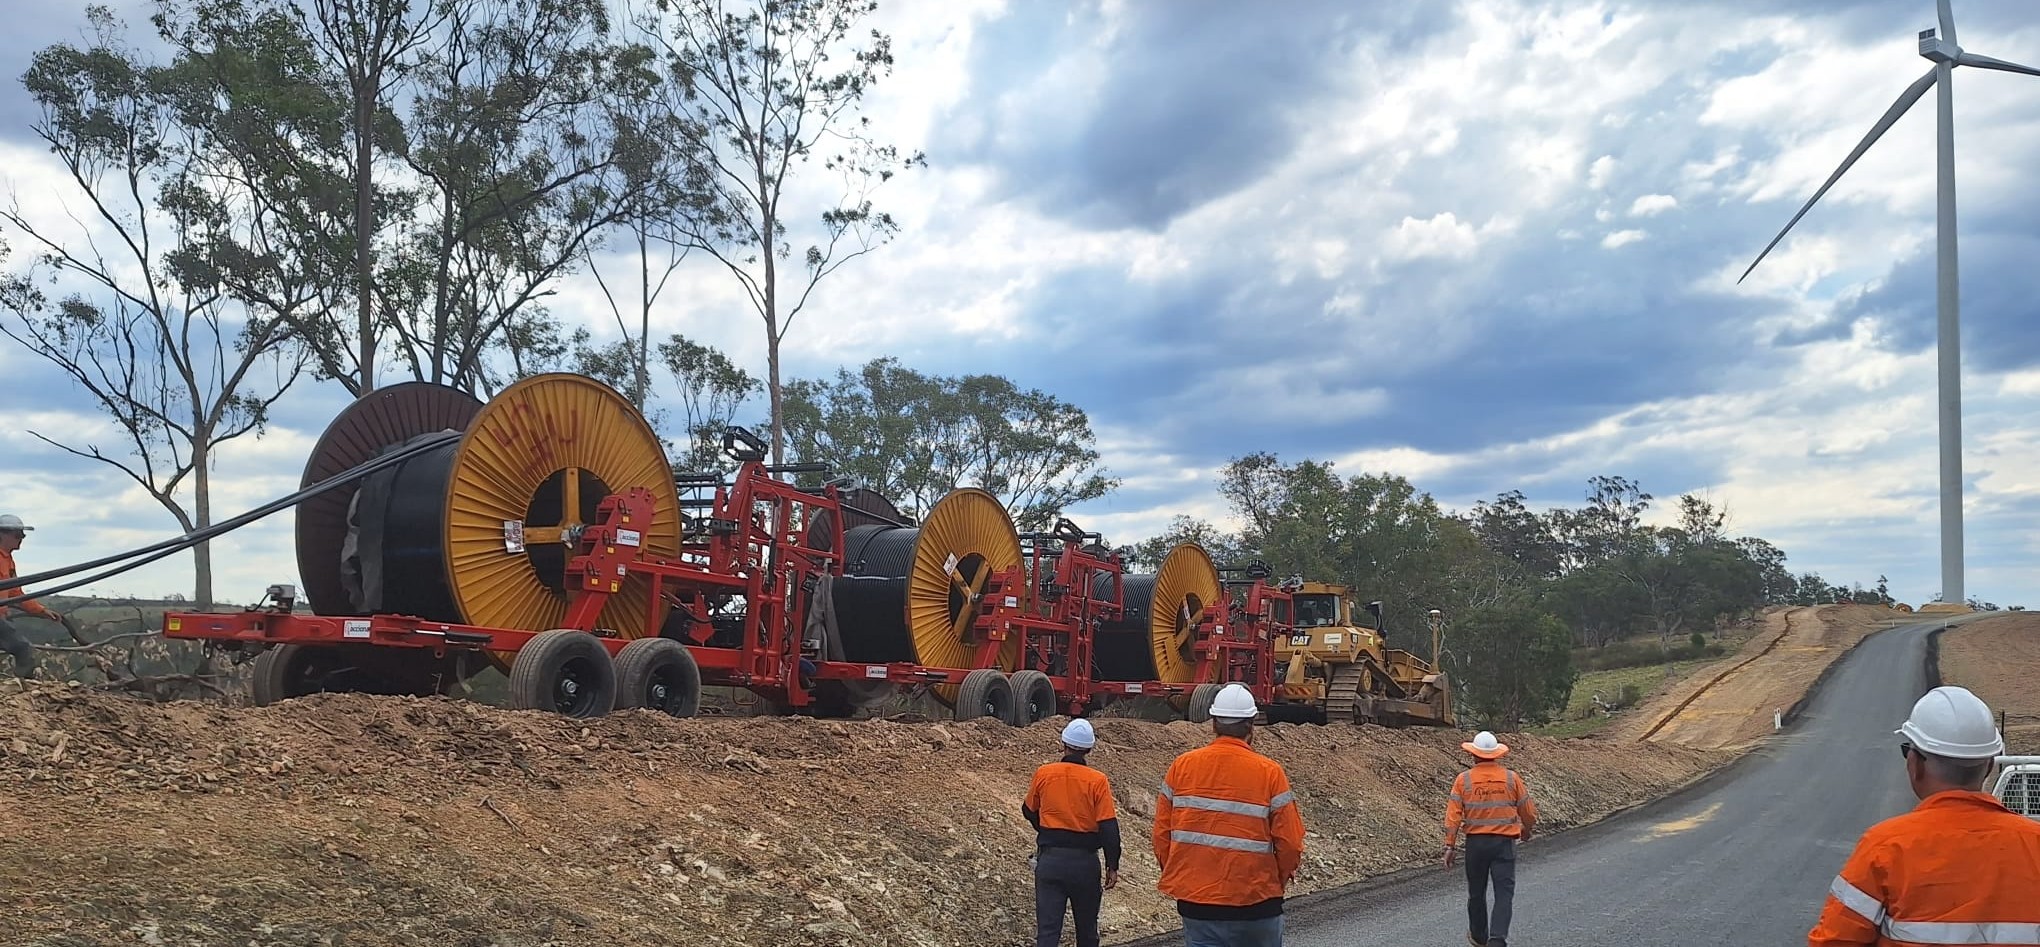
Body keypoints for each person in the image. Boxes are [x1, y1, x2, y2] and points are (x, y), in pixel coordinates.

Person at [1808, 685, 2040, 946]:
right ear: (1988, 767)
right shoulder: (2035, 843)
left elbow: (1835, 941)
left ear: (1914, 764)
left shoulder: (1885, 848)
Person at [1153, 683, 1304, 947]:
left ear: (1213, 724)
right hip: (1257, 905)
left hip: (1199, 907)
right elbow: (1290, 843)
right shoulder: (1270, 773)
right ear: (1251, 725)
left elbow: (1161, 836)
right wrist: (1274, 883)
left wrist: (1185, 878)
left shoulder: (1182, 767)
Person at [1023, 717, 1121, 947]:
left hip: (1050, 861)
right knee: (1087, 931)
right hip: (1084, 864)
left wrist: (1046, 829)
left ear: (1063, 744)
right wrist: (1112, 865)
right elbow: (1108, 827)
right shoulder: (1097, 781)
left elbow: (1028, 810)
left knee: (1048, 933)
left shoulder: (1044, 773)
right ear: (1089, 749)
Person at [1444, 730, 1538, 947]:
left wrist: (1450, 845)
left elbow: (1453, 816)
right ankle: (1497, 939)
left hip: (1476, 845)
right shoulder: (1511, 778)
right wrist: (1526, 829)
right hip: (1504, 845)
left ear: (1473, 755)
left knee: (1476, 892)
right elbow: (1528, 811)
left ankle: (1479, 936)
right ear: (1496, 754)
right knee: (1504, 893)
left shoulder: (1463, 780)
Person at [0, 514, 64, 680]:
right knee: (23, 649)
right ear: (2, 534)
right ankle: (22, 688)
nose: (22, 538)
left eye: (22, 534)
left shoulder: (8, 560)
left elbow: (16, 593)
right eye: (17, 534)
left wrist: (41, 611)